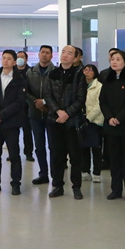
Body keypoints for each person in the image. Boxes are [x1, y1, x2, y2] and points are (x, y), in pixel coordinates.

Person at [0, 50, 27, 195]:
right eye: (3, 58)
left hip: (11, 123)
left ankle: (16, 184)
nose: (5, 61)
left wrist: (3, 114)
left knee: (14, 155)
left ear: (14, 62)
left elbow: (19, 102)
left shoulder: (19, 79)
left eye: (9, 59)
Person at [45, 45, 86, 200]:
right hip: (55, 120)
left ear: (75, 58)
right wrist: (58, 111)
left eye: (69, 53)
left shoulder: (79, 75)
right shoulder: (52, 74)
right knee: (56, 155)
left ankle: (76, 187)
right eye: (63, 52)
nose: (65, 55)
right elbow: (47, 95)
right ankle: (57, 186)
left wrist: (67, 113)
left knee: (75, 156)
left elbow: (80, 99)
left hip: (72, 122)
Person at [99, 49, 125, 202]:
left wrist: (119, 118)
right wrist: (109, 117)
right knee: (114, 159)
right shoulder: (107, 79)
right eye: (112, 59)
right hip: (111, 125)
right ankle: (116, 189)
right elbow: (102, 101)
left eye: (118, 59)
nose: (114, 62)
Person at [25, 45, 55, 185]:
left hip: (52, 113)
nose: (44, 55)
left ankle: (56, 175)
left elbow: (58, 92)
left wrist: (44, 102)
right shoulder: (30, 72)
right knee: (39, 146)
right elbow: (25, 91)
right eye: (42, 52)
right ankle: (43, 174)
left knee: (53, 146)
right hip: (35, 114)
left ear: (51, 56)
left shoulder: (56, 72)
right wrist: (34, 102)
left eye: (47, 53)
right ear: (38, 54)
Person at [80, 64, 104, 183]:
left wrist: (88, 118)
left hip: (95, 121)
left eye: (90, 70)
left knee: (96, 148)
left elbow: (99, 105)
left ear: (95, 72)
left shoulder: (99, 86)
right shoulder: (80, 86)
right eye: (85, 70)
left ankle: (97, 173)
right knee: (83, 147)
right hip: (82, 120)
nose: (87, 72)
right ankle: (85, 171)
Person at [16, 50, 35, 162]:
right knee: (13, 132)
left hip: (27, 106)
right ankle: (13, 153)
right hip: (14, 107)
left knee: (27, 131)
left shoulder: (31, 72)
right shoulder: (12, 72)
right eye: (18, 57)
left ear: (26, 59)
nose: (19, 59)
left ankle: (28, 153)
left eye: (22, 57)